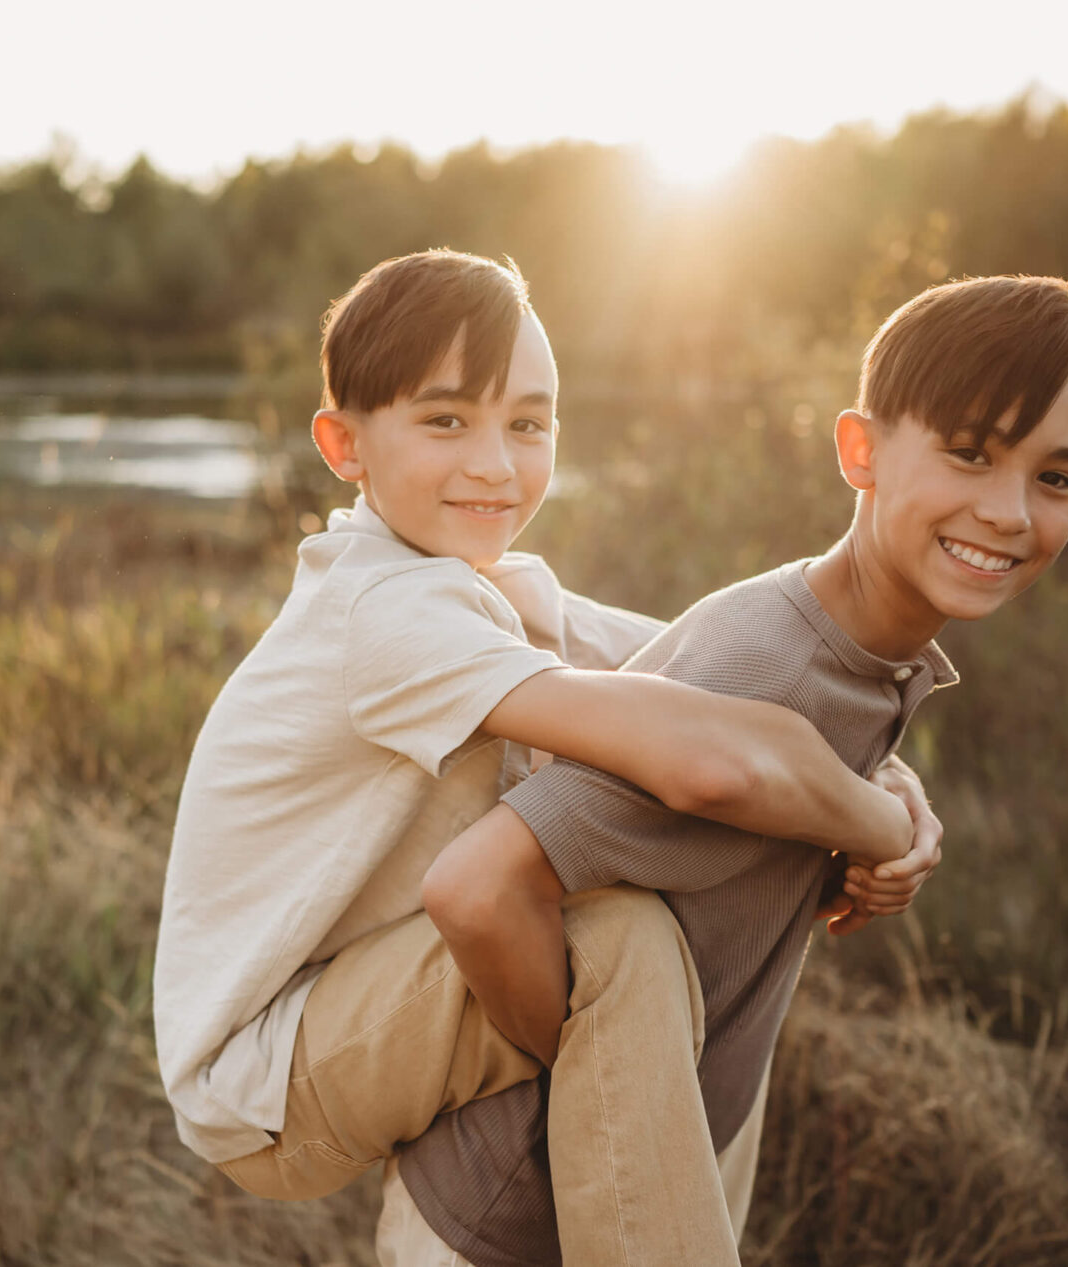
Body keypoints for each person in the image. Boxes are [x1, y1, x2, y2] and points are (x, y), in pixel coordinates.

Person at [151, 249, 940, 1266]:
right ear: (342, 443)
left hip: (354, 1000)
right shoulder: (381, 614)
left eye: (527, 423)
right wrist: (875, 825)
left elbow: (715, 680)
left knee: (623, 917)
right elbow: (703, 755)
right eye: (446, 420)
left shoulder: (485, 585)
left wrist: (885, 779)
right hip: (263, 1073)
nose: (494, 462)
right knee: (614, 935)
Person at [389, 273, 1068, 1266]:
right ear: (858, 450)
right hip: (516, 1219)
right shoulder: (762, 664)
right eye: (969, 453)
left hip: (672, 1158)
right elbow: (476, 888)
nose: (1008, 512)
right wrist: (609, 1084)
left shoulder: (868, 652)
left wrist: (890, 811)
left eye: (1055, 478)